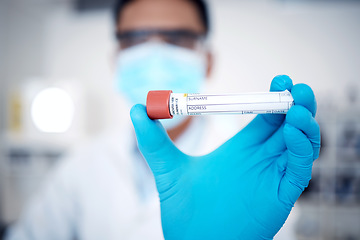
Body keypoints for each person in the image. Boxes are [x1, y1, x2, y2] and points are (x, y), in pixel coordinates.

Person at [5, 0, 320, 239]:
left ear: (207, 61)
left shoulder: (257, 173)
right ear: (116, 61)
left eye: (177, 38)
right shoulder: (79, 168)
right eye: (135, 39)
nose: (153, 53)